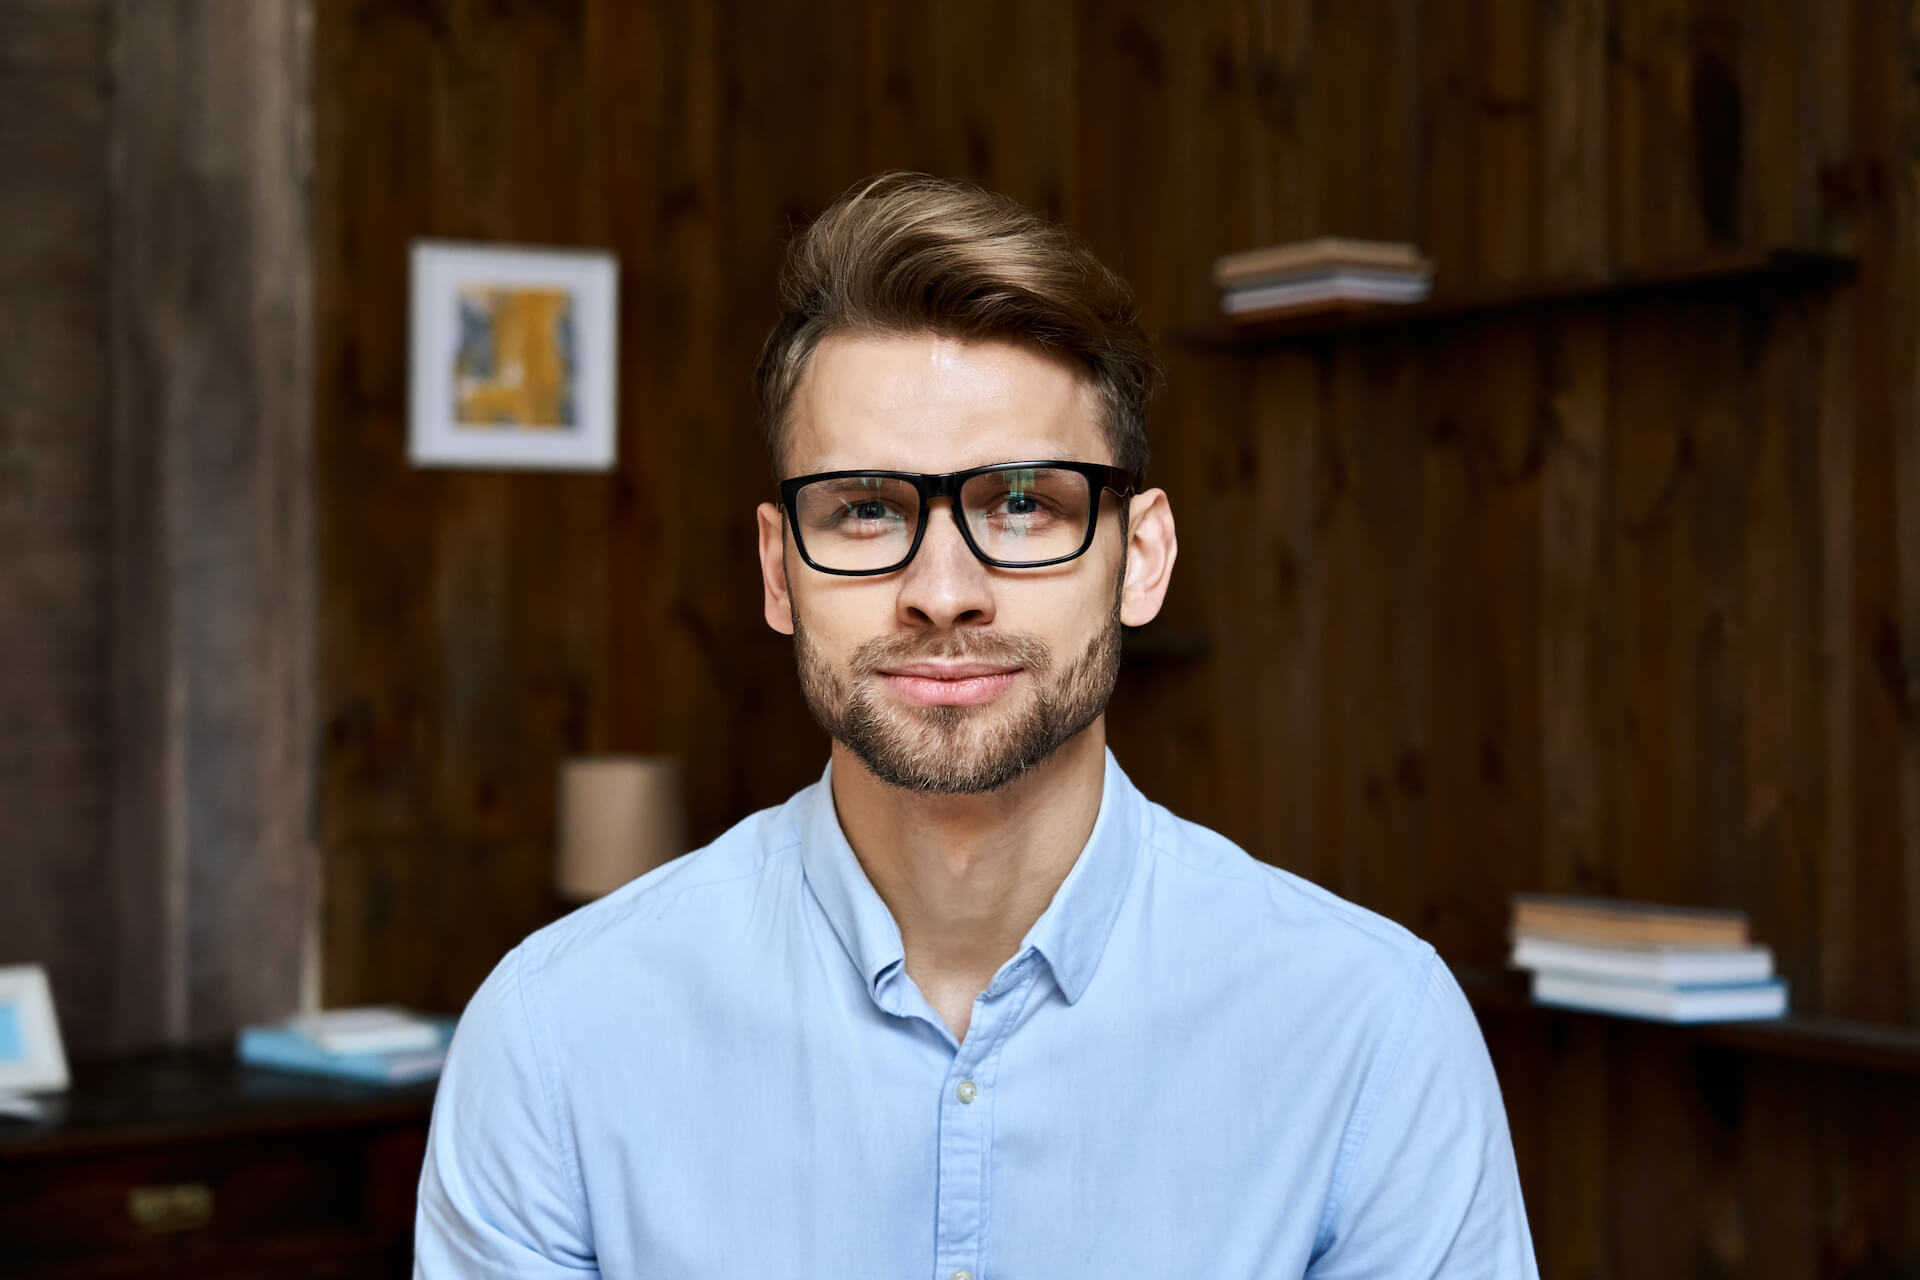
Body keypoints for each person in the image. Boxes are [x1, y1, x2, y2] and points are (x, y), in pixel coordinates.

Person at [414, 172, 1539, 1279]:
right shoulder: (555, 1035)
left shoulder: (1373, 1035)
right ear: (776, 570)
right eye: (865, 509)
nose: (943, 590)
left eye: (1021, 503)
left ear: (1139, 557)